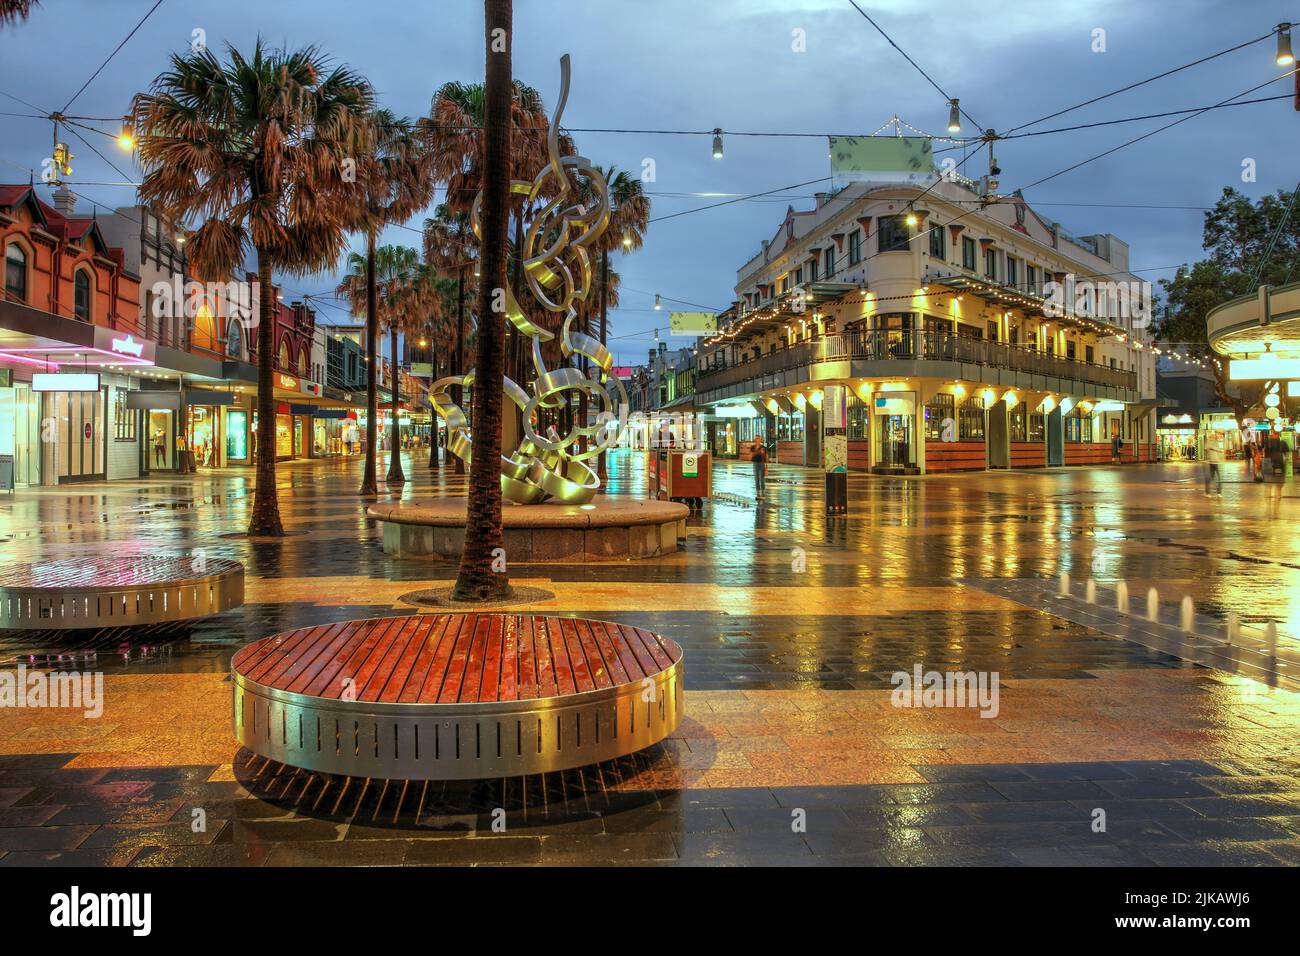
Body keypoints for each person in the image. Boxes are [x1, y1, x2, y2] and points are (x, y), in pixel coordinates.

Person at [1204, 432, 1224, 496]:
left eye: (1214, 436)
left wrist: (1213, 448)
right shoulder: (1208, 442)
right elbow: (1206, 448)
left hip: (1217, 462)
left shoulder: (1216, 442)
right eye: (1212, 436)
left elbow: (1220, 450)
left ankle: (1219, 492)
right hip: (1211, 462)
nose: (1214, 437)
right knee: (1210, 478)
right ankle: (1208, 492)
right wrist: (1215, 448)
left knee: (1219, 478)